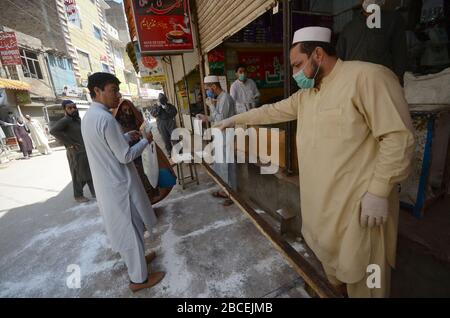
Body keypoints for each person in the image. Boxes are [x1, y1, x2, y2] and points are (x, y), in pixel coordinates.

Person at [216, 27, 415, 298]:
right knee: (334, 271)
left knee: (364, 277)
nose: (295, 73)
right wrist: (233, 120)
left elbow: (398, 137)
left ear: (318, 54)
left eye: (298, 64)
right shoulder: (307, 95)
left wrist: (379, 190)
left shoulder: (367, 77)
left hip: (359, 210)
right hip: (323, 211)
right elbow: (271, 111)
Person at [81, 72, 165, 293]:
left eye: (117, 90)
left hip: (110, 183)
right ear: (97, 91)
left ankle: (138, 261)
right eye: (112, 90)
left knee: (133, 225)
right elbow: (125, 156)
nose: (117, 95)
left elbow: (109, 146)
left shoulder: (90, 117)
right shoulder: (106, 119)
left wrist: (127, 136)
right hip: (118, 184)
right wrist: (146, 140)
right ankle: (138, 279)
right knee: (129, 228)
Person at [336, 0, 407, 84]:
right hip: (353, 82)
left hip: (380, 82)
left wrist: (399, 78)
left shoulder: (393, 21)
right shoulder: (349, 27)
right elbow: (339, 57)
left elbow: (400, 52)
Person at [197, 75, 236, 207]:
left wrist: (211, 106)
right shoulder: (219, 99)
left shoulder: (225, 98)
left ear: (214, 87)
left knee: (228, 167)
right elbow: (214, 117)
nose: (207, 92)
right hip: (220, 136)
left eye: (208, 88)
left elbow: (221, 119)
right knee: (221, 166)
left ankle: (232, 195)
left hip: (227, 136)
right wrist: (205, 117)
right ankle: (224, 191)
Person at [50, 100, 95, 203]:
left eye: (74, 107)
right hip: (75, 153)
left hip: (84, 151)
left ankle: (95, 192)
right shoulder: (66, 120)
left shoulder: (76, 119)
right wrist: (69, 143)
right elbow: (53, 131)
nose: (73, 109)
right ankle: (78, 195)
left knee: (88, 172)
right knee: (77, 174)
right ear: (65, 110)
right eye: (70, 108)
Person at [113, 99, 153, 195]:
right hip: (127, 150)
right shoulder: (116, 122)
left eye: (130, 110)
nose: (128, 113)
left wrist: (144, 133)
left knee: (145, 171)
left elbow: (144, 127)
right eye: (125, 110)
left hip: (140, 146)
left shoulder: (136, 117)